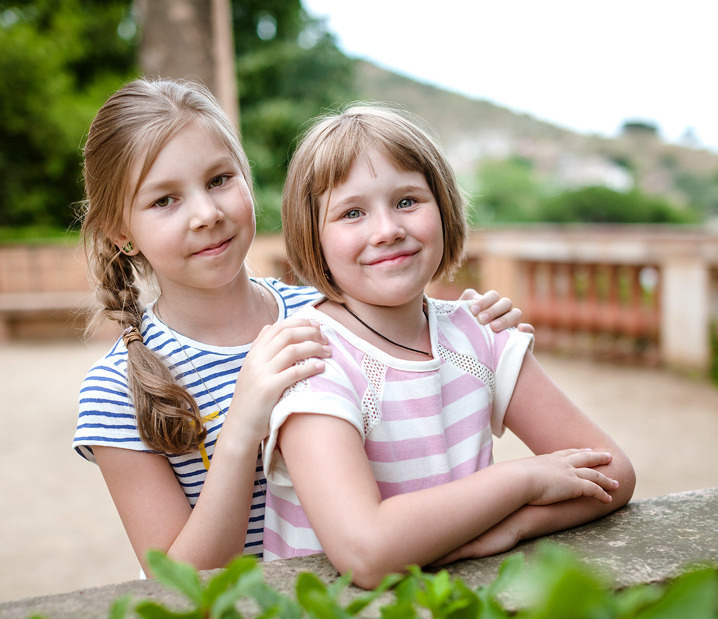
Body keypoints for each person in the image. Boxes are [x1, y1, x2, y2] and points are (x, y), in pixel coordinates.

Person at [71, 78, 526, 575]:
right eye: (164, 201)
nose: (206, 214)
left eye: (220, 179)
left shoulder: (329, 310)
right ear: (122, 232)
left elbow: (418, 374)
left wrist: (468, 326)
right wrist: (243, 425)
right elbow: (176, 583)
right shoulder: (115, 390)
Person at [262, 104, 635, 589]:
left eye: (408, 201)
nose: (387, 229)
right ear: (312, 236)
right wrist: (523, 481)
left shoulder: (480, 332)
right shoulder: (312, 359)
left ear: (443, 207)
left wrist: (511, 527)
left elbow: (613, 472)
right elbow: (365, 552)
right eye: (352, 213)